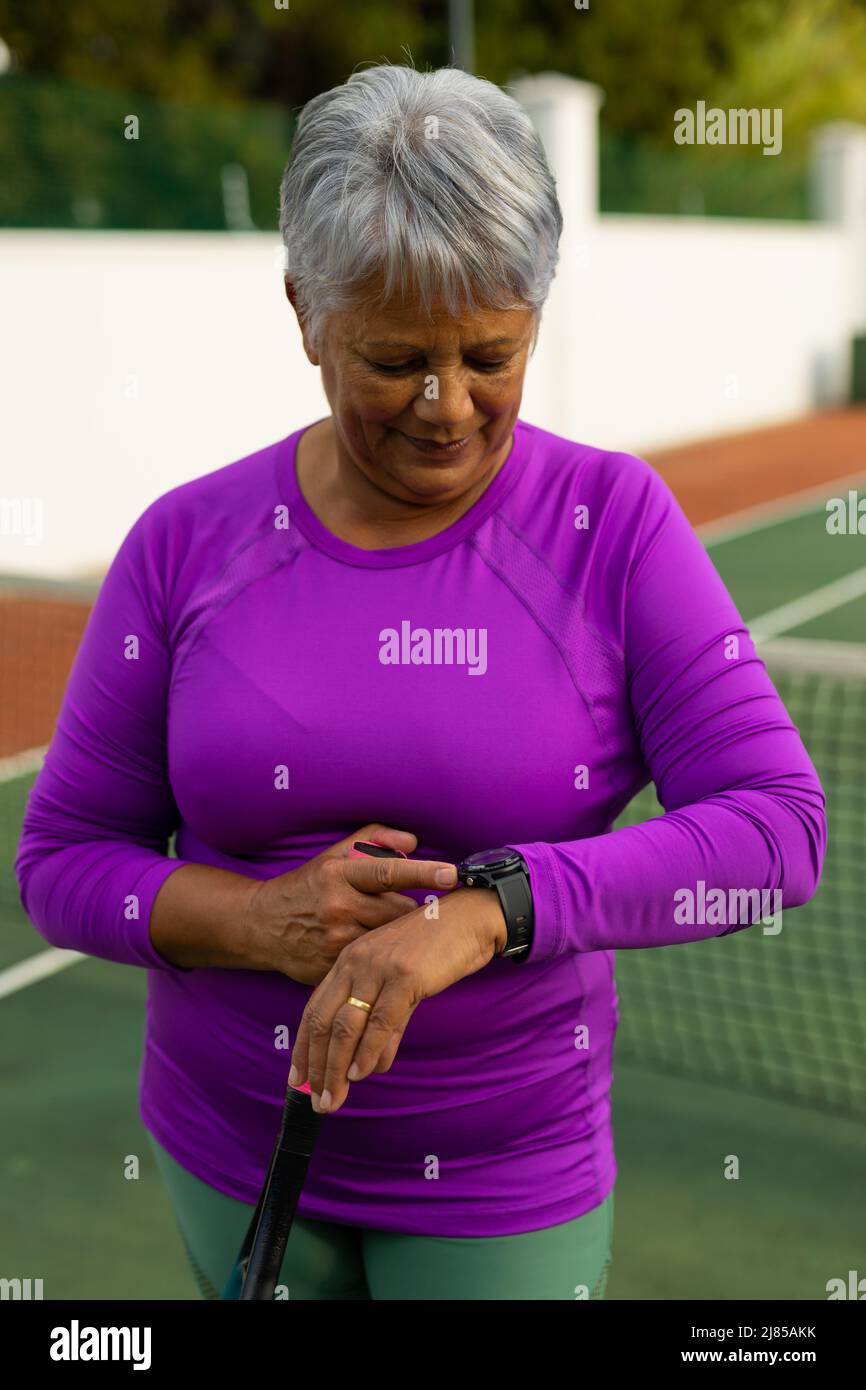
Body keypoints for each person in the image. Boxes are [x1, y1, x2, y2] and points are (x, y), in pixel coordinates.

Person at [15, 61, 827, 1301]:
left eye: (491, 355)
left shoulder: (613, 525)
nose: (448, 408)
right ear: (304, 314)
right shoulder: (183, 544)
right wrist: (256, 919)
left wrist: (486, 911)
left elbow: (775, 832)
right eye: (395, 360)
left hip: (505, 1179)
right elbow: (63, 862)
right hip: (232, 1149)